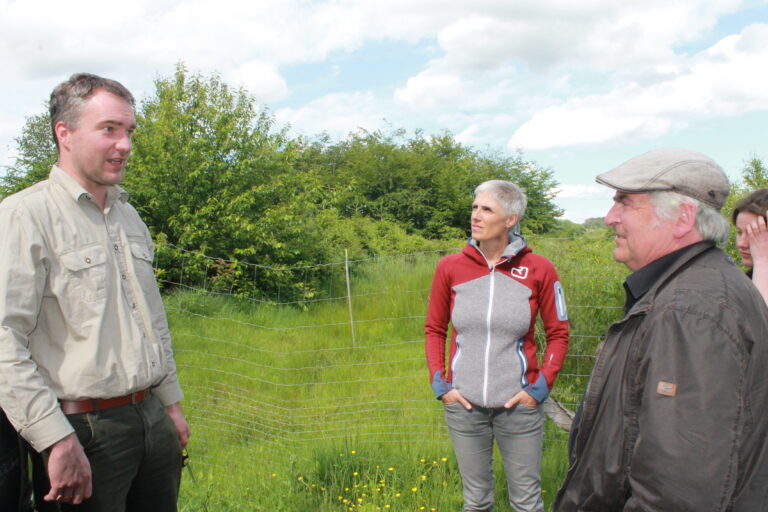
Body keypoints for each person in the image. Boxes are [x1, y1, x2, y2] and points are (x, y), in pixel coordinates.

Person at [0, 73, 190, 511]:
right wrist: (56, 439)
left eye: (129, 132)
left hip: (150, 417)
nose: (124, 145)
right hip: (82, 430)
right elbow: (6, 339)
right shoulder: (24, 216)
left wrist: (171, 406)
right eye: (109, 129)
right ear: (64, 133)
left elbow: (153, 320)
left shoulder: (128, 216)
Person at [554, 148, 768, 511]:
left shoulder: (692, 311)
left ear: (683, 217)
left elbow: (677, 491)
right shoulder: (691, 290)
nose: (609, 218)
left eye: (625, 202)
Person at [425, 180, 569, 512]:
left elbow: (559, 333)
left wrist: (540, 388)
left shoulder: (539, 269)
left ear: (510, 219)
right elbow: (434, 329)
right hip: (464, 405)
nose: (475, 215)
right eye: (475, 207)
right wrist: (440, 384)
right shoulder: (450, 267)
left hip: (519, 406)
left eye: (486, 209)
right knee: (475, 501)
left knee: (527, 502)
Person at [732, 188, 768, 303]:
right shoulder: (742, 282)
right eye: (739, 232)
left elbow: (761, 318)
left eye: (753, 234)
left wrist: (762, 260)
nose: (741, 243)